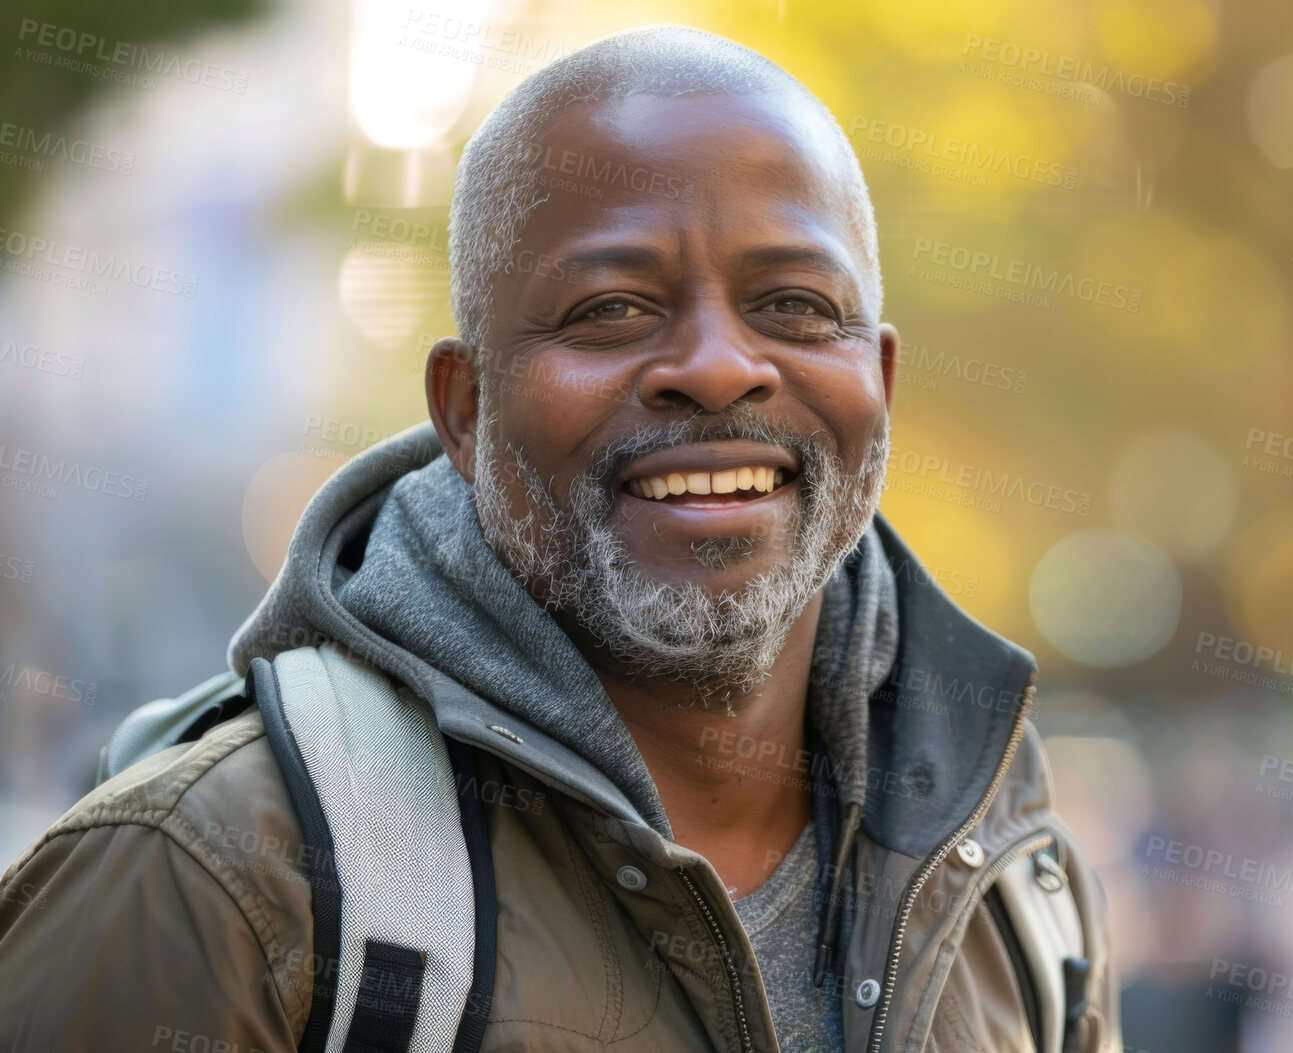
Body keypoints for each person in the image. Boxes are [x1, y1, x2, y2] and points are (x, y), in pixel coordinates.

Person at [0, 24, 1118, 1053]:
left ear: (877, 379)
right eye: (612, 309)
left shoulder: (1018, 890)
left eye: (794, 306)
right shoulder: (206, 878)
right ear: (465, 408)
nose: (722, 367)